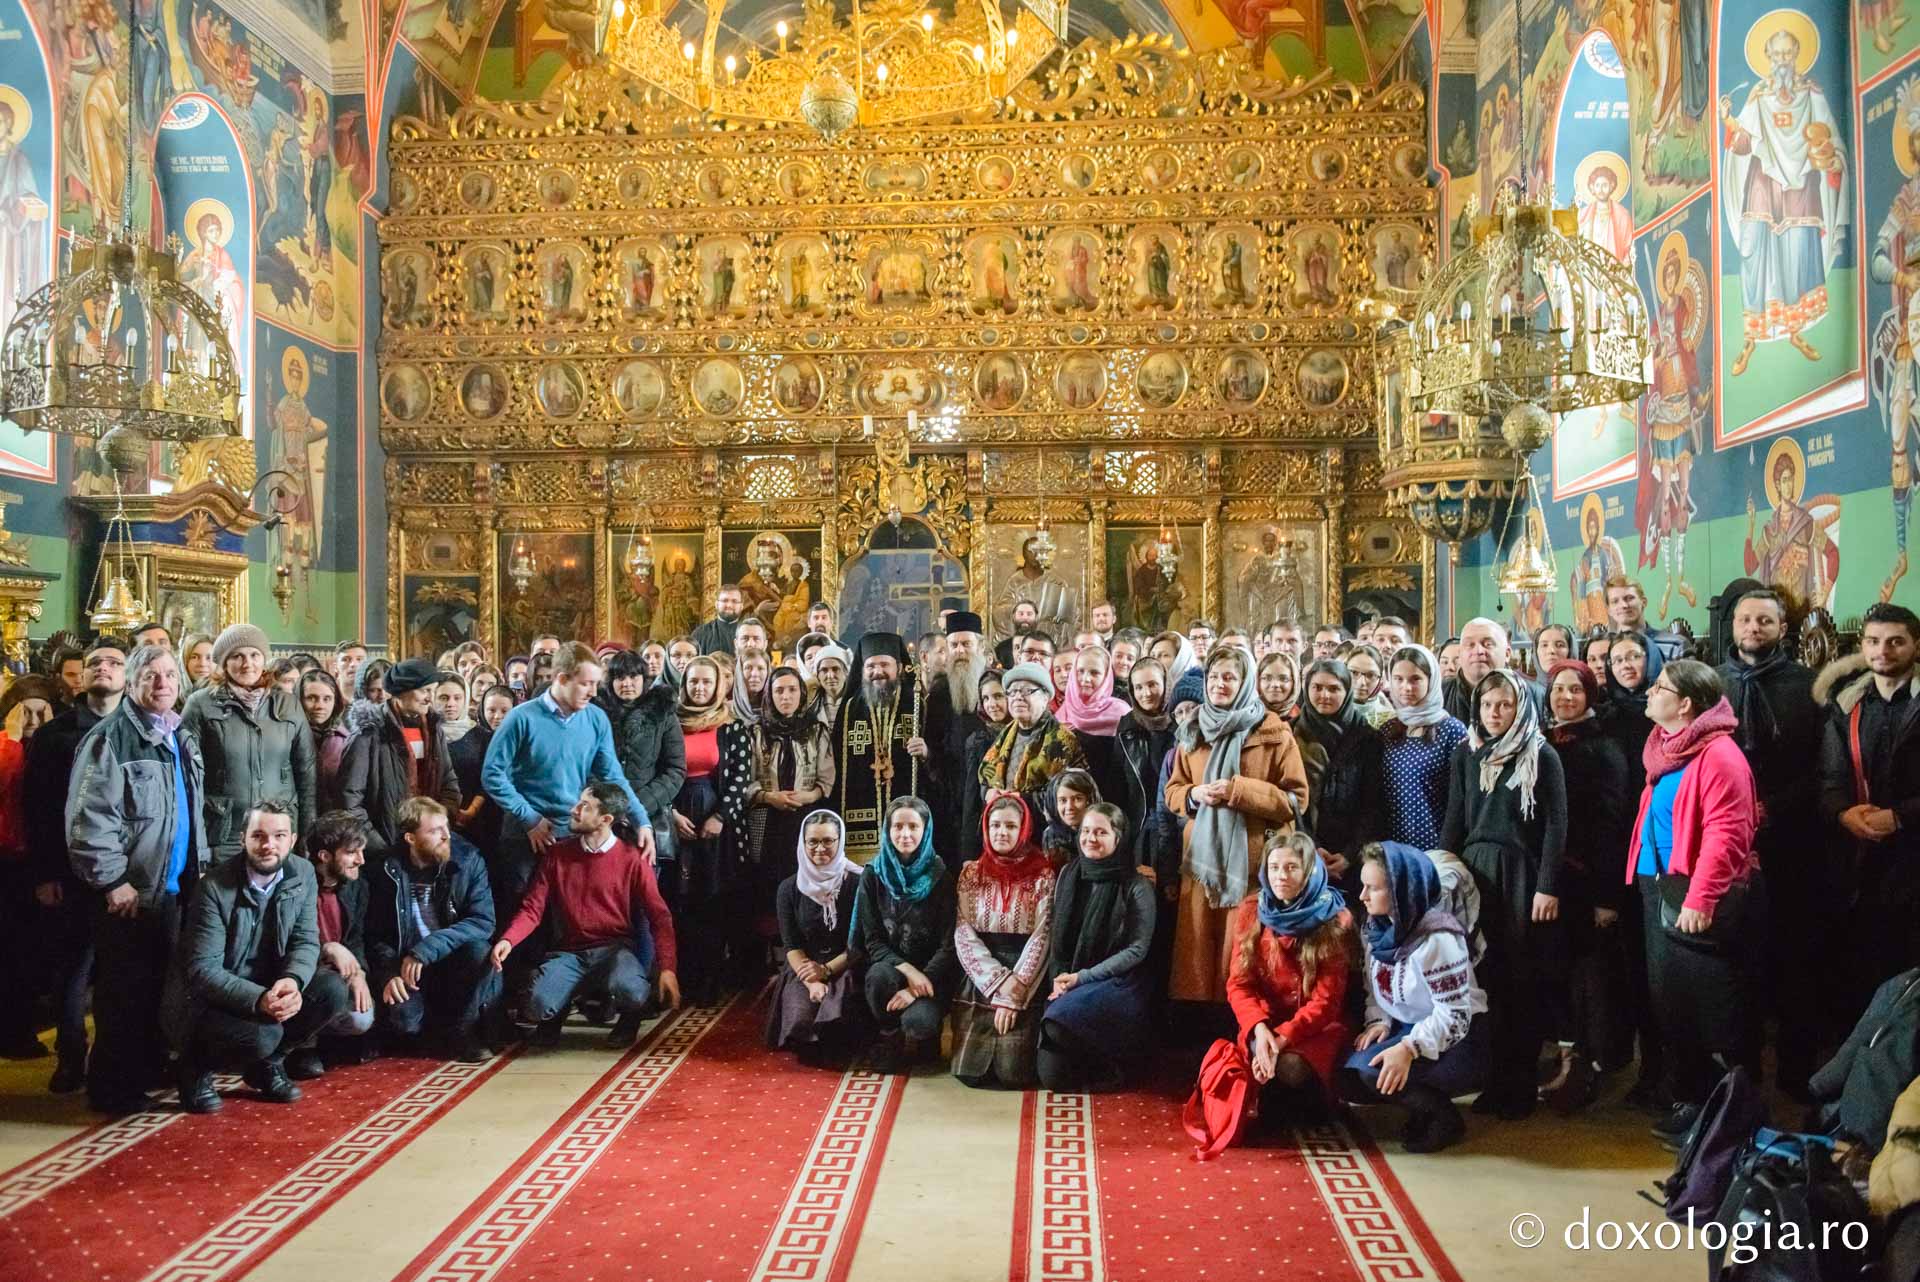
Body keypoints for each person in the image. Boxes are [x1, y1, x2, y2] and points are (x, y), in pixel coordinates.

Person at [65, 644, 210, 1114]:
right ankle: (111, 1087)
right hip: (129, 891)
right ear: (133, 682)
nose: (163, 682)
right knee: (121, 994)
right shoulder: (111, 738)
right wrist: (111, 881)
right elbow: (88, 819)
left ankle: (143, 1070)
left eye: (170, 674)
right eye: (152, 675)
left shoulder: (178, 735)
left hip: (172, 887)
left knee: (156, 989)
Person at [1629, 660, 1760, 1144]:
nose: (1649, 692)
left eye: (1659, 687)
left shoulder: (1719, 754)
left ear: (1685, 704)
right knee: (1673, 1004)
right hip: (1661, 885)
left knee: (1712, 1011)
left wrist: (1702, 898)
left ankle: (1727, 1115)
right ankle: (1693, 1103)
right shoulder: (1669, 748)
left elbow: (1729, 836)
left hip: (1694, 893)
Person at [1440, 670, 1567, 1120]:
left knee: (1520, 978)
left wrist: (1547, 886)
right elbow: (1456, 814)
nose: (1495, 713)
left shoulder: (1540, 753)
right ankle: (1492, 1081)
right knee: (1486, 977)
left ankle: (1519, 1085)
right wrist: (1440, 868)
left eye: (1505, 705)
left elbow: (1556, 824)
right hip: (1477, 873)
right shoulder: (1467, 754)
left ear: (1522, 706)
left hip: (1521, 874)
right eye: (1488, 705)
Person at [1717, 588, 1824, 1097]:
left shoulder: (1807, 687)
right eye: (1745, 619)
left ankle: (1798, 1073)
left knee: (1794, 957)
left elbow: (1822, 766)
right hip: (1727, 844)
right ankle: (1740, 1079)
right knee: (1736, 962)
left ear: (1782, 629)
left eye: (1764, 620)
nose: (1753, 627)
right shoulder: (1712, 684)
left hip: (1793, 840)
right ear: (1733, 626)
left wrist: (1774, 806)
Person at [175, 801, 349, 1112]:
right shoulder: (214, 888)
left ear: (292, 840)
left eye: (279, 836)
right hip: (214, 1002)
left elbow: (306, 941)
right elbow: (202, 971)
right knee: (263, 1035)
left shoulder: (304, 872)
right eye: (258, 836)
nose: (269, 845)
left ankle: (266, 1066)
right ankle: (195, 1068)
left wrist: (292, 981)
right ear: (243, 839)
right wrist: (260, 999)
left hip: (271, 984)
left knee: (332, 990)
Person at [1165, 645, 1310, 1004]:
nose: (1220, 684)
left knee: (1241, 952)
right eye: (1214, 677)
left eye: (1230, 677)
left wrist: (1238, 790)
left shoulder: (1274, 732)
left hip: (1253, 860)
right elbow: (1173, 791)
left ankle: (1241, 1021)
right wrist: (1196, 794)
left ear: (1246, 683)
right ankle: (1203, 1026)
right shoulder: (1193, 729)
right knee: (1201, 948)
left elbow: (1295, 799)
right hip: (1202, 860)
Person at [492, 783, 680, 1049]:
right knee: (535, 1004)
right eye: (578, 803)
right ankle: (555, 1012)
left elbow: (660, 917)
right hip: (569, 952)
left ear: (606, 820)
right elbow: (532, 908)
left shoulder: (632, 859)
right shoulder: (558, 854)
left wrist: (668, 969)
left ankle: (628, 1019)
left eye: (585, 806)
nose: (574, 810)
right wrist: (508, 940)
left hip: (614, 951)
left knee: (634, 992)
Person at [482, 643, 648, 942]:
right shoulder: (521, 718)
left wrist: (641, 820)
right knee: (522, 916)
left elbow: (612, 776)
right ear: (560, 679)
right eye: (586, 683)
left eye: (596, 684)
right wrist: (530, 818)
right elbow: (492, 775)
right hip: (524, 835)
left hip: (572, 831)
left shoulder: (595, 718)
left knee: (565, 919)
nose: (593, 692)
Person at [1342, 843, 1490, 1153]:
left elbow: (1455, 1016)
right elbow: (1376, 988)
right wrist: (1379, 1020)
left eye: (1373, 888)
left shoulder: (1438, 937)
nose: (1362, 896)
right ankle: (1418, 1107)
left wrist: (1408, 1049)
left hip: (1461, 1039)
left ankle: (1443, 1117)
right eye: (1363, 886)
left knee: (1372, 1071)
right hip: (1412, 1026)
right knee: (1348, 1075)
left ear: (1400, 890)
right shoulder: (1379, 929)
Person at [24, 639, 125, 1091]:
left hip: (128, 874)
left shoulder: (141, 728)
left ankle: (117, 1058)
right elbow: (39, 810)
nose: (103, 668)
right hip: (69, 873)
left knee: (123, 973)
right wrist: (44, 874)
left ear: (128, 674)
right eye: (94, 663)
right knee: (73, 972)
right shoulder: (55, 734)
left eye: (114, 662)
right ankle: (70, 1058)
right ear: (81, 677)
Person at [1216, 833, 1355, 1139]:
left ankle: (1313, 1101)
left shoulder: (1336, 918)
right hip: (1265, 1020)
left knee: (1290, 1067)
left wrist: (1280, 1040)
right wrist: (1260, 1029)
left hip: (1316, 1027)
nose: (1281, 876)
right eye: (1274, 867)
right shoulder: (1252, 910)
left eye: (1292, 867)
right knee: (1263, 1063)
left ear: (1310, 872)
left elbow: (1326, 1002)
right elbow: (1239, 985)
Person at [1818, 603, 1920, 1016]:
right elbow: (1828, 777)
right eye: (1874, 641)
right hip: (1858, 857)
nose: (1884, 651)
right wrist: (1843, 813)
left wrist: (1899, 817)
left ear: (1916, 645)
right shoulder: (1847, 705)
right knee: (1860, 969)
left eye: (1896, 641)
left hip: (1913, 855)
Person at [1542, 659, 1630, 1111]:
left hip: (1588, 881)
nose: (1566, 697)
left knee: (1592, 982)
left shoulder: (1604, 748)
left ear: (1590, 696)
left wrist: (1606, 896)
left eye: (1575, 690)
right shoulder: (1545, 741)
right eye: (1558, 689)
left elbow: (1612, 825)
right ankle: (1566, 1060)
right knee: (1559, 974)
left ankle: (1592, 1068)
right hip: (1554, 878)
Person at [365, 796, 499, 1061]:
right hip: (406, 967)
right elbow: (374, 934)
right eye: (435, 831)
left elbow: (483, 921)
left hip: (450, 961)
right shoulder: (384, 869)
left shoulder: (468, 860)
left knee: (481, 952)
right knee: (405, 1025)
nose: (446, 836)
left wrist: (428, 948)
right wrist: (388, 974)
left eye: (446, 828)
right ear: (410, 838)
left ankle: (463, 1033)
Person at [1037, 804, 1157, 1091]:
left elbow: (1136, 951)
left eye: (1101, 832)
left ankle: (1112, 1061)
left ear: (1118, 838)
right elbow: (1057, 937)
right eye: (1086, 831)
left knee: (1056, 1024)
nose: (1091, 838)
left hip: (1118, 983)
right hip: (1071, 980)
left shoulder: (1136, 885)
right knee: (1051, 1076)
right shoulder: (1069, 874)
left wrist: (1082, 978)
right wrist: (1059, 978)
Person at [182, 623, 317, 862]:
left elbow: (306, 772)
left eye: (254, 655)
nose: (248, 663)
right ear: (224, 663)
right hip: (225, 832)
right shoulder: (200, 704)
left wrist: (306, 834)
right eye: (237, 656)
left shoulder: (288, 704)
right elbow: (186, 776)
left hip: (279, 829)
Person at [951, 795, 1057, 1088]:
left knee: (1013, 1074)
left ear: (1023, 829)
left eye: (1011, 826)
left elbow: (1043, 933)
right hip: (982, 971)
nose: (1002, 832)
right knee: (969, 1074)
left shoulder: (1043, 874)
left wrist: (1015, 991)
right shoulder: (971, 872)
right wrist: (997, 982)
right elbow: (963, 932)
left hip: (1025, 971)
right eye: (995, 825)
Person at [668, 655, 753, 1001]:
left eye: (706, 682)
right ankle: (683, 977)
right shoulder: (671, 723)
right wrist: (670, 814)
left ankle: (711, 980)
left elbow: (739, 781)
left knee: (714, 901)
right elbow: (662, 773)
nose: (699, 688)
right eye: (693, 682)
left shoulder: (733, 726)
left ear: (719, 686)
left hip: (720, 825)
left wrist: (719, 817)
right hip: (677, 819)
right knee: (681, 901)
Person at [853, 796, 956, 1070]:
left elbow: (948, 945)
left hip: (932, 975)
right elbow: (872, 940)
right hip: (892, 970)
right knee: (877, 977)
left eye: (913, 826)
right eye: (897, 826)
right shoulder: (873, 874)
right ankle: (889, 1035)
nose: (905, 834)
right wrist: (910, 972)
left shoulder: (941, 876)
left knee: (920, 1023)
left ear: (926, 830)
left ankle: (923, 1034)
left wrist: (918, 986)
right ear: (887, 830)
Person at [341, 657, 463, 857]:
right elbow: (350, 801)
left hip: (429, 844)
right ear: (401, 692)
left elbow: (448, 781)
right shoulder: (369, 732)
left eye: (433, 691)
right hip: (386, 847)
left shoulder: (433, 728)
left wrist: (438, 826)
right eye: (425, 691)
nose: (430, 698)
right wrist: (379, 846)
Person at [767, 809, 862, 1061]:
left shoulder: (859, 883)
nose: (820, 848)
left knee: (833, 1023)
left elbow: (861, 942)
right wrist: (811, 981)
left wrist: (827, 971)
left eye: (828, 841)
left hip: (847, 962)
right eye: (813, 842)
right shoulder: (788, 888)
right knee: (800, 1023)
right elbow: (791, 945)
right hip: (805, 966)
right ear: (803, 843)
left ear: (840, 841)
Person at [745, 666, 834, 934]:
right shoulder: (756, 731)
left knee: (804, 882)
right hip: (766, 818)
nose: (786, 696)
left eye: (792, 690)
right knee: (767, 886)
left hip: (804, 818)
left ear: (801, 694)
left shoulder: (816, 730)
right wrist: (768, 796)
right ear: (769, 695)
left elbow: (827, 777)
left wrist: (810, 795)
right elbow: (745, 778)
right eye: (779, 690)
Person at [828, 634, 928, 864]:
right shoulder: (850, 709)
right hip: (860, 822)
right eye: (871, 666)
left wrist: (926, 753)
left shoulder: (917, 704)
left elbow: (938, 759)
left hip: (908, 809)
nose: (877, 671)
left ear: (900, 667)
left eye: (885, 665)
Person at [1294, 658, 1384, 895]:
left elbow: (1373, 804)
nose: (1324, 695)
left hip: (1354, 857)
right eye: (1317, 687)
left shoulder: (1367, 738)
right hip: (1303, 850)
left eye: (1334, 688)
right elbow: (1290, 799)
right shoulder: (1293, 734)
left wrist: (1349, 855)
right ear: (1306, 689)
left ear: (1347, 691)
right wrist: (1312, 846)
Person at [302, 809, 377, 1073]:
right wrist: (328, 948)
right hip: (302, 974)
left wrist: (358, 974)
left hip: (338, 975)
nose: (361, 860)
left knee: (361, 1018)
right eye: (351, 853)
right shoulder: (297, 886)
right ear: (324, 856)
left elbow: (355, 939)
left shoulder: (357, 887)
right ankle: (302, 1046)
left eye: (362, 851)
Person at [978, 661, 1087, 835]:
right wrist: (989, 792)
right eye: (1012, 692)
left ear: (1046, 698)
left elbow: (1072, 797)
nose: (1018, 697)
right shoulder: (1006, 733)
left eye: (1027, 691)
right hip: (1004, 831)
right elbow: (986, 776)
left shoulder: (1063, 741)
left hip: (1044, 833)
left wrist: (1023, 800)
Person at [1380, 644, 1470, 850]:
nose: (1406, 687)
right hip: (1391, 846)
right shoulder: (1387, 730)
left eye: (1415, 679)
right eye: (1398, 679)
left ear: (1431, 680)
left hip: (1437, 846)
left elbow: (1460, 800)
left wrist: (1447, 848)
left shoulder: (1452, 731)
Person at [922, 612, 990, 848]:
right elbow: (931, 742)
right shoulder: (939, 692)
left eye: (966, 644)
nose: (960, 651)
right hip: (949, 791)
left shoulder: (993, 685)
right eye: (954, 645)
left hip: (986, 789)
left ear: (980, 647)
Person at [1115, 658, 1175, 874]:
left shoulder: (1181, 722)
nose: (1146, 693)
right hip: (1138, 824)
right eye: (1138, 687)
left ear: (1166, 684)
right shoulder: (1127, 725)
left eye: (1152, 684)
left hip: (1174, 823)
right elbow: (1119, 782)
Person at [1057, 643, 1130, 803]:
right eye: (1080, 671)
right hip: (1069, 806)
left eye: (1094, 673)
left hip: (1110, 802)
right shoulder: (1062, 714)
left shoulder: (1122, 713)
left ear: (1106, 677)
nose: (1085, 679)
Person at [957, 672, 1010, 865]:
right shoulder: (978, 741)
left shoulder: (1025, 734)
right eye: (985, 698)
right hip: (990, 829)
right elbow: (971, 798)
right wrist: (968, 854)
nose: (991, 704)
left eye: (998, 696)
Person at [1605, 632, 1666, 799]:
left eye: (1634, 656)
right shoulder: (1605, 714)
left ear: (1651, 658)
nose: (1625, 665)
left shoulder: (1669, 709)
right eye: (1617, 660)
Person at [301, 670, 352, 810]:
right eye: (311, 698)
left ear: (335, 702)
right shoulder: (288, 737)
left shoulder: (346, 739)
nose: (320, 706)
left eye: (327, 698)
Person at [692, 583, 745, 656]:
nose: (729, 605)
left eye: (734, 601)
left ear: (742, 606)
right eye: (725, 600)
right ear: (716, 604)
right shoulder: (700, 633)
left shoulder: (750, 634)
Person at [812, 642, 851, 728]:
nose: (830, 675)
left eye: (835, 669)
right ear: (818, 675)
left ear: (846, 672)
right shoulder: (810, 706)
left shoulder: (858, 703)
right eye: (824, 670)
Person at [1256, 651, 1300, 723]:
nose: (1275, 684)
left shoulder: (1303, 721)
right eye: (1267, 678)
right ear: (1257, 681)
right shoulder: (1246, 719)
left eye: (1283, 679)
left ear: (1294, 683)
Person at [435, 676, 474, 743]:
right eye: (444, 698)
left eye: (457, 698)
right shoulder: (424, 731)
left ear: (466, 701)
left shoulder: (480, 735)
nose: (450, 704)